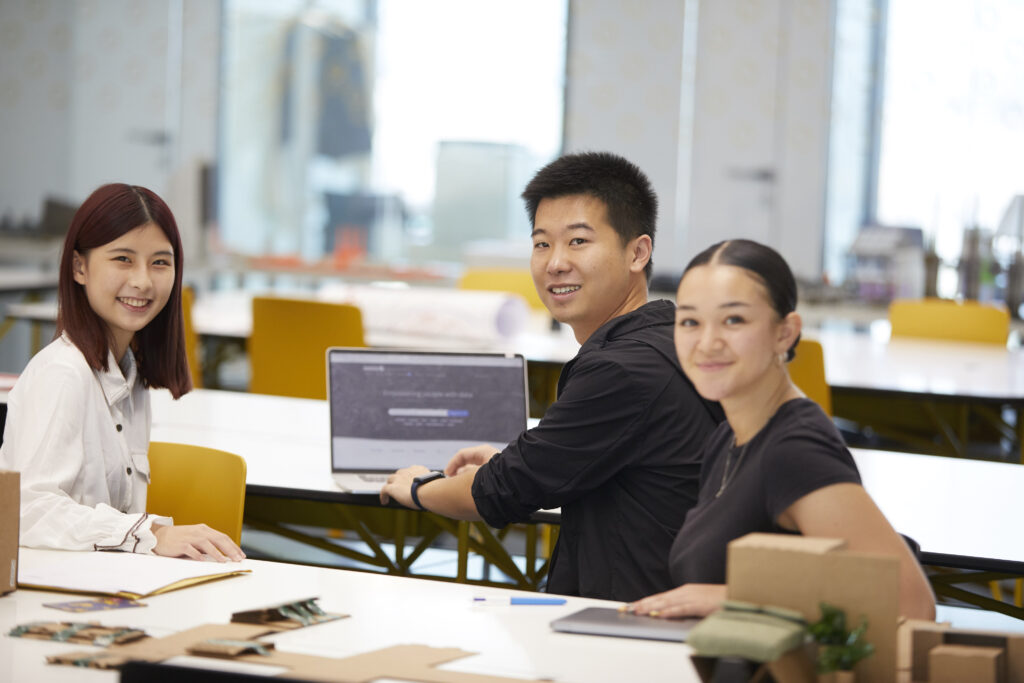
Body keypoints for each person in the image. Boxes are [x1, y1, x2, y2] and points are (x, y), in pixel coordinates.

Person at [381, 152, 722, 601]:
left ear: (637, 252)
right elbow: (587, 458)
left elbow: (501, 492)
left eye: (578, 241)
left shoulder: (622, 370)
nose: (555, 262)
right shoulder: (668, 339)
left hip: (630, 629)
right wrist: (526, 458)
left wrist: (420, 486)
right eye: (542, 243)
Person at [626, 239, 935, 619]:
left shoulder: (794, 448)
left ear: (785, 333)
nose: (707, 343)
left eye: (734, 320)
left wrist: (731, 598)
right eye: (690, 321)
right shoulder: (730, 437)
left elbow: (912, 605)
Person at [0, 183, 245, 562]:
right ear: (79, 267)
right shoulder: (63, 373)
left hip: (106, 583)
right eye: (123, 259)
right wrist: (151, 533)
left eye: (160, 262)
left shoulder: (131, 376)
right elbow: (28, 511)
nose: (143, 281)